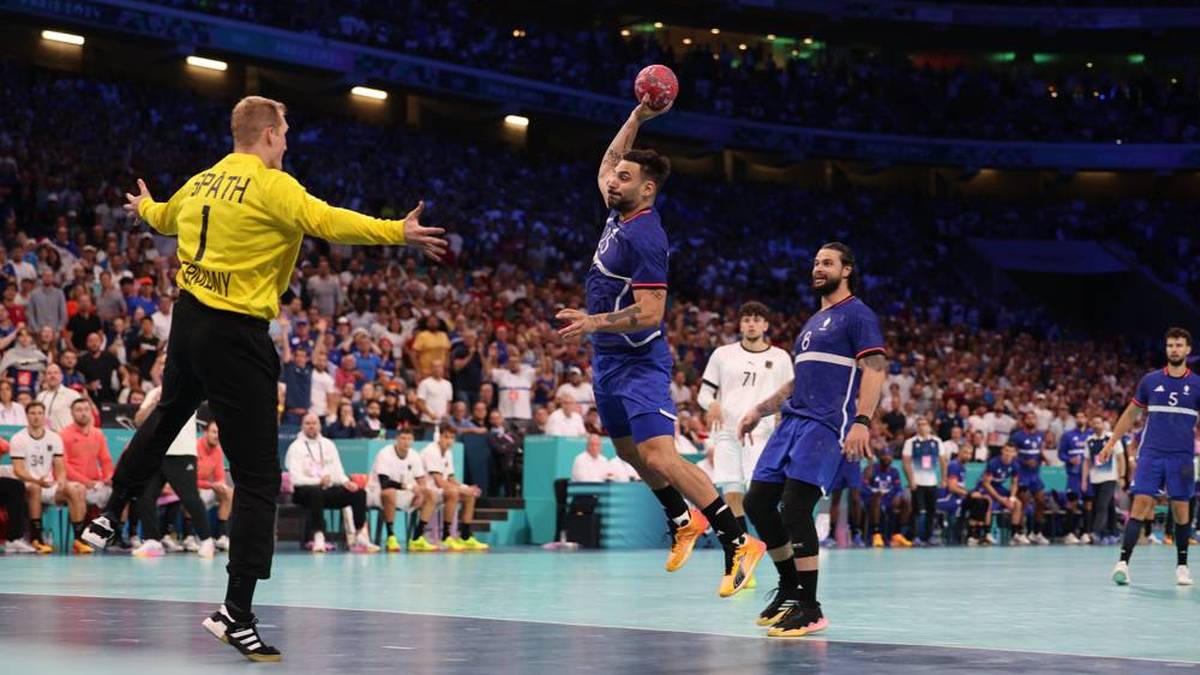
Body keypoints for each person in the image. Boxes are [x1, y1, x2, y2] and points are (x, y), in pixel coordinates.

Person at [81, 94, 446, 661]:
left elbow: (162, 219)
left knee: (171, 409)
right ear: (271, 134)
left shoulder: (201, 182)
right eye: (287, 131)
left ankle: (109, 513)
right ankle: (237, 613)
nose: (288, 141)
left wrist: (147, 205)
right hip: (237, 333)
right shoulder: (275, 186)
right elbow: (331, 223)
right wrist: (397, 231)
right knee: (256, 478)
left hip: (189, 319)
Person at [555, 97, 762, 599]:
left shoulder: (647, 235)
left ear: (646, 190)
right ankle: (681, 520)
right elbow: (608, 160)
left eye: (624, 178)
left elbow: (651, 312)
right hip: (607, 359)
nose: (612, 180)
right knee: (628, 452)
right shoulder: (617, 212)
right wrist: (638, 118)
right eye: (615, 177)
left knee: (660, 455)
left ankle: (738, 541)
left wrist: (592, 322)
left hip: (638, 360)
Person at [739, 242, 887, 637]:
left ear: (847, 270)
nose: (818, 269)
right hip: (791, 422)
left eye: (827, 263)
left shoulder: (858, 315)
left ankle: (810, 606)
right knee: (757, 501)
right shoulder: (813, 322)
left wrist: (862, 421)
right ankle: (790, 587)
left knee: (795, 506)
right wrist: (760, 410)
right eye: (815, 263)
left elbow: (874, 368)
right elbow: (798, 380)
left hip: (824, 424)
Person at [1100, 327, 1200, 587]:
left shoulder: (1197, 384)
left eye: (1179, 345)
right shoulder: (1150, 380)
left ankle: (1182, 566)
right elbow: (1131, 414)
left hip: (1182, 457)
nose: (1174, 350)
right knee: (1141, 504)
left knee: (1181, 509)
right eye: (1170, 346)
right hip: (1152, 454)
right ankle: (1122, 563)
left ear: (1188, 350)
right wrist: (1112, 442)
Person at [697, 300, 793, 563]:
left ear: (765, 324)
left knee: (758, 495)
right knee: (732, 493)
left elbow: (789, 395)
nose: (751, 323)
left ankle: (780, 549)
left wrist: (781, 416)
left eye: (756, 319)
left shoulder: (780, 357)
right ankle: (742, 554)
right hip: (727, 432)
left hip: (761, 433)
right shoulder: (722, 355)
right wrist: (713, 403)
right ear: (740, 325)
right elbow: (704, 393)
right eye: (746, 319)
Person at [129, 381, 215, 558]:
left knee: (189, 497)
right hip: (155, 451)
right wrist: (154, 403)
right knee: (144, 494)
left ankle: (207, 541)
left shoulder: (188, 388)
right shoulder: (153, 393)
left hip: (181, 452)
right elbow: (138, 420)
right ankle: (152, 541)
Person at [285, 413, 379, 555]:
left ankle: (360, 534)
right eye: (308, 423)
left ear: (320, 426)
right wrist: (318, 481)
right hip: (304, 492)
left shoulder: (328, 444)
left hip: (327, 490)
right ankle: (319, 536)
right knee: (315, 491)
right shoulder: (295, 447)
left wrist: (347, 482)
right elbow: (295, 478)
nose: (311, 426)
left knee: (358, 492)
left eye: (314, 423)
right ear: (302, 426)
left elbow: (339, 472)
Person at [10, 401, 88, 553]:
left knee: (73, 489)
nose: (36, 417)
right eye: (33, 413)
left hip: (47, 484)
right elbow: (18, 470)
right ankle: (37, 538)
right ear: (27, 416)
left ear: (44, 416)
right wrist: (36, 480)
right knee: (35, 488)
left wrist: (61, 481)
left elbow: (59, 467)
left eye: (40, 413)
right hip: (27, 485)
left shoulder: (54, 438)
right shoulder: (18, 438)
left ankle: (78, 539)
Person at [368, 429, 438, 552]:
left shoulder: (414, 455)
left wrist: (421, 492)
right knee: (390, 492)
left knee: (431, 494)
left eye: (409, 439)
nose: (406, 442)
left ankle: (417, 538)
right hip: (378, 493)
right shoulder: (384, 453)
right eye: (403, 438)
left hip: (402, 493)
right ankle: (391, 537)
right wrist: (411, 488)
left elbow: (421, 481)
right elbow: (384, 483)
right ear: (397, 439)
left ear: (413, 441)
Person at [420, 427, 489, 551]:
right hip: (427, 489)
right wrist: (461, 490)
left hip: (440, 490)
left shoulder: (448, 453)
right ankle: (446, 537)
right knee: (453, 493)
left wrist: (466, 488)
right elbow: (439, 482)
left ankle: (466, 537)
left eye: (452, 438)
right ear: (439, 437)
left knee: (470, 495)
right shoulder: (431, 451)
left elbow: (451, 478)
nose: (449, 441)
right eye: (446, 437)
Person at [60, 399, 115, 527]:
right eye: (79, 410)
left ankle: (120, 535)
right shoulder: (64, 435)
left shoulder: (98, 434)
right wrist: (87, 483)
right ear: (72, 413)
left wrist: (108, 477)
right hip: (76, 485)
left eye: (86, 409)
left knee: (122, 492)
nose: (83, 413)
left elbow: (105, 460)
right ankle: (81, 536)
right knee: (78, 491)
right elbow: (64, 467)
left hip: (97, 483)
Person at [901, 418, 949, 546]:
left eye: (925, 424)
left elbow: (943, 461)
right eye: (920, 425)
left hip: (932, 482)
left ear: (929, 427)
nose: (922, 427)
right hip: (917, 482)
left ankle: (929, 537)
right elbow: (906, 463)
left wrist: (944, 478)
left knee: (931, 510)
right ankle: (915, 536)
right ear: (917, 428)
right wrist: (911, 480)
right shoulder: (910, 442)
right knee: (917, 510)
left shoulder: (937, 441)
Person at [1010, 411, 1049, 545]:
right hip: (1022, 474)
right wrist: (1025, 462)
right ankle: (1019, 533)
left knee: (1041, 502)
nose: (1031, 420)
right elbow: (1012, 454)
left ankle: (1036, 533)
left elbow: (1038, 451)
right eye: (1029, 418)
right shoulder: (1017, 436)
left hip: (1035, 475)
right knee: (1024, 502)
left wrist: (1044, 458)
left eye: (1033, 418)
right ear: (1024, 420)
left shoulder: (1040, 435)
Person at [1085, 415, 1125, 545]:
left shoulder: (1111, 438)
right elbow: (1086, 462)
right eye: (1094, 423)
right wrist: (1084, 480)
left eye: (1098, 422)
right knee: (1108, 506)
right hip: (1095, 479)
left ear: (1103, 424)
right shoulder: (1089, 440)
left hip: (1109, 478)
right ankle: (1112, 533)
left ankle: (1096, 533)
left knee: (1101, 505)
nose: (1096, 425)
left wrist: (1122, 476)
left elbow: (1120, 458)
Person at [864, 447, 912, 548]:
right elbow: (864, 486)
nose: (887, 458)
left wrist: (896, 496)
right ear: (879, 457)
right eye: (884, 455)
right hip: (873, 499)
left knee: (905, 501)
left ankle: (897, 534)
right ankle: (876, 534)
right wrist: (875, 492)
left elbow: (898, 488)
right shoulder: (871, 469)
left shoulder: (894, 471)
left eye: (889, 455)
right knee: (876, 499)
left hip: (889, 499)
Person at [976, 443, 1024, 545]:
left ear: (1014, 453)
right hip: (985, 487)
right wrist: (1000, 499)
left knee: (1017, 504)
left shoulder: (1015, 465)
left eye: (1011, 451)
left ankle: (1014, 535)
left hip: (998, 487)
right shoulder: (993, 463)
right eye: (1006, 450)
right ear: (1002, 451)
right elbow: (986, 483)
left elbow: (1014, 483)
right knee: (987, 502)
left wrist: (1011, 498)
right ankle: (987, 534)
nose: (1008, 453)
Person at [197, 420, 233, 551]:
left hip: (207, 487)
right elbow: (188, 480)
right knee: (191, 491)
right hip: (194, 486)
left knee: (229, 492)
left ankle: (223, 536)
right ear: (205, 433)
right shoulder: (195, 447)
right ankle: (189, 537)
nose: (217, 435)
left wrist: (220, 485)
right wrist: (211, 485)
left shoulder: (218, 450)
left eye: (219, 432)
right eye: (214, 432)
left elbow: (220, 477)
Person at [1058, 410, 1091, 544]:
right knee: (1072, 503)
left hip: (1089, 476)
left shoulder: (1091, 435)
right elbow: (1061, 454)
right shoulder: (1068, 436)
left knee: (1089, 504)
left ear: (1086, 418)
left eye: (1082, 416)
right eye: (1077, 416)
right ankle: (1069, 533)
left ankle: (1085, 533)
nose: (1080, 419)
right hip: (1073, 475)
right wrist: (1069, 459)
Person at [35, 363, 82, 432]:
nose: (52, 376)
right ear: (45, 377)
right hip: (45, 438)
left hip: (65, 437)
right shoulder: (40, 396)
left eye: (56, 373)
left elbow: (82, 417)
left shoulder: (72, 395)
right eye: (49, 373)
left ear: (61, 376)